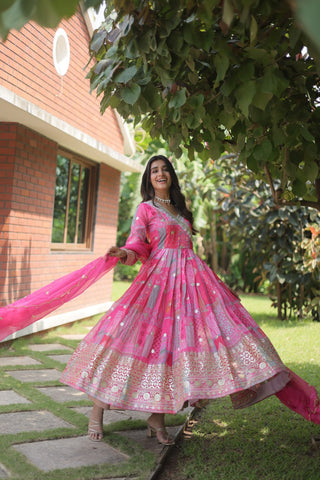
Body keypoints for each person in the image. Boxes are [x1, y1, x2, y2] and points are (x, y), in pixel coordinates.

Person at [59, 154, 320, 444]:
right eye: (154, 170)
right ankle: (97, 412)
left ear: (171, 175)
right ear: (149, 179)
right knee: (131, 341)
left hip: (191, 287)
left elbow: (187, 248)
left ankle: (156, 419)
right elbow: (139, 245)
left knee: (172, 351)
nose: (160, 174)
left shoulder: (182, 211)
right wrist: (125, 253)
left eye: (165, 169)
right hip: (157, 285)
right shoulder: (146, 209)